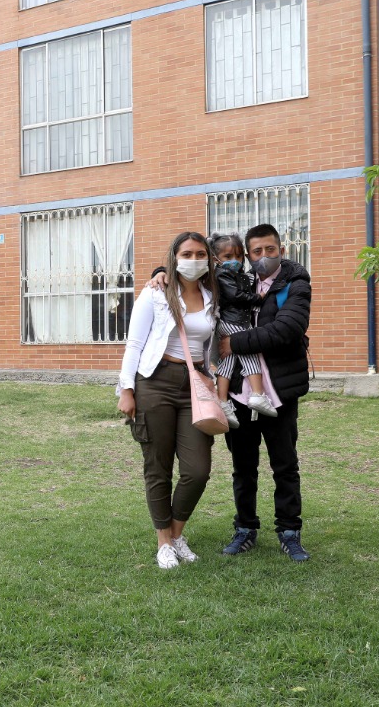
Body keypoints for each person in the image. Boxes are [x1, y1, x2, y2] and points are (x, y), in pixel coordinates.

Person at [150, 224, 313, 562]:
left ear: (281, 250)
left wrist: (234, 342)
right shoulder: (239, 279)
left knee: (285, 465)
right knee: (243, 467)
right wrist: (161, 272)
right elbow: (193, 270)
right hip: (238, 391)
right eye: (256, 252)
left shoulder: (294, 282)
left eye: (270, 250)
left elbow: (288, 329)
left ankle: (289, 531)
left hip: (279, 390)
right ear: (248, 255)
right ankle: (245, 528)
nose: (263, 256)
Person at [117, 232, 220, 569]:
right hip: (155, 382)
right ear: (175, 257)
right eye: (187, 254)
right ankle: (164, 542)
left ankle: (176, 534)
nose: (194, 260)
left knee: (197, 470)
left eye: (200, 254)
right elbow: (135, 343)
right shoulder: (156, 293)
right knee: (158, 466)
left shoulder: (212, 296)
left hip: (194, 387)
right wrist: (126, 390)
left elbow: (210, 343)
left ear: (209, 259)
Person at [208, 233, 276, 428]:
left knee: (227, 362)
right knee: (250, 355)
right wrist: (258, 298)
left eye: (239, 256)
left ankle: (222, 401)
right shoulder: (222, 275)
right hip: (234, 322)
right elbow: (236, 296)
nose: (235, 260)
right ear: (216, 259)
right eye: (228, 256)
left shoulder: (237, 274)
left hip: (234, 321)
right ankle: (258, 395)